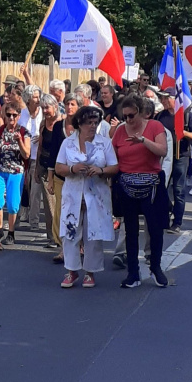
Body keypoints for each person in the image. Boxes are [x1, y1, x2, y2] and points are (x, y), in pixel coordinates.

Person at [55, 106, 119, 288]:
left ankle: (90, 272)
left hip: (96, 195)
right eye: (88, 122)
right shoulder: (68, 143)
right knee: (70, 233)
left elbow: (114, 167)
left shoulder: (104, 143)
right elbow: (59, 167)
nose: (92, 126)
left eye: (95, 122)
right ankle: (72, 271)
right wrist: (72, 169)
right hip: (73, 194)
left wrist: (100, 170)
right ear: (79, 124)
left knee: (93, 234)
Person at [111, 95, 169, 288]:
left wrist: (144, 141)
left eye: (131, 116)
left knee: (155, 228)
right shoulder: (120, 131)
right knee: (131, 229)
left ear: (141, 112)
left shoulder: (154, 127)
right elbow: (112, 156)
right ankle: (133, 273)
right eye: (125, 116)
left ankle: (155, 267)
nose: (128, 120)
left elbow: (162, 151)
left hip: (151, 183)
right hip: (127, 184)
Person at [156, 87, 192, 233]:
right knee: (161, 187)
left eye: (166, 98)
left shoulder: (186, 114)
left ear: (175, 99)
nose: (163, 101)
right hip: (164, 156)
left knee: (179, 189)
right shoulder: (159, 116)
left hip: (181, 155)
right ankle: (167, 211)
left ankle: (177, 222)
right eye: (161, 98)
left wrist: (184, 132)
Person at [0, 102, 30, 245]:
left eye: (14, 115)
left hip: (16, 171)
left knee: (13, 204)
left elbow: (26, 154)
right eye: (8, 115)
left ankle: (11, 233)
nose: (11, 118)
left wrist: (19, 141)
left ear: (19, 116)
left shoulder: (23, 132)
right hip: (0, 170)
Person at [36, 93, 67, 258]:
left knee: (60, 208)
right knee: (50, 206)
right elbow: (40, 146)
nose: (45, 111)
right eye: (43, 108)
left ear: (56, 106)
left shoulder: (63, 123)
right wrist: (36, 170)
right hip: (45, 167)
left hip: (60, 170)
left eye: (47, 107)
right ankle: (54, 237)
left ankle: (63, 240)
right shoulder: (43, 123)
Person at [18, 85, 44, 231]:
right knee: (24, 188)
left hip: (36, 156)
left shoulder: (43, 113)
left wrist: (41, 137)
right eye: (34, 97)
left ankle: (34, 221)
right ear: (27, 99)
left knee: (35, 189)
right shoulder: (21, 114)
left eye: (38, 96)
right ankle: (22, 213)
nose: (38, 99)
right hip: (22, 156)